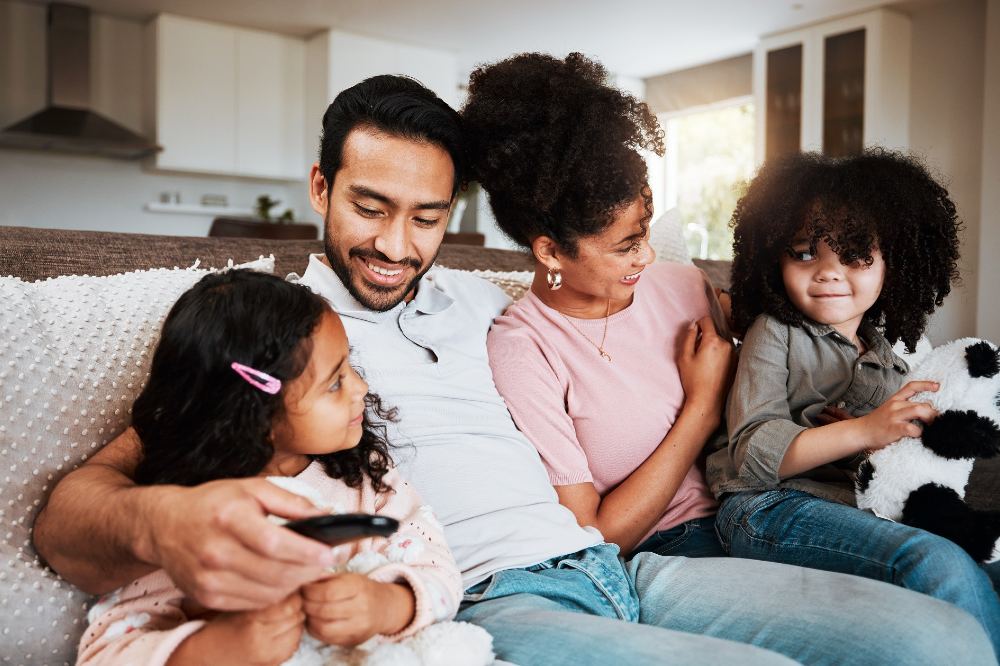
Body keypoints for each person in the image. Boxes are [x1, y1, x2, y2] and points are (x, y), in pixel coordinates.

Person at [33, 73, 996, 665]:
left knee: (939, 636)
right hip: (499, 594)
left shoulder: (482, 306)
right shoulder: (275, 326)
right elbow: (81, 504)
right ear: (320, 188)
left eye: (426, 216)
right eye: (369, 206)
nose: (394, 245)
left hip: (623, 568)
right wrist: (166, 519)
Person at [74, 269, 461, 665]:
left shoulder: (367, 477)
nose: (360, 388)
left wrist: (387, 604)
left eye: (350, 367)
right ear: (253, 415)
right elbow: (108, 649)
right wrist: (223, 646)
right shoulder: (193, 519)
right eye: (334, 383)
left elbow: (439, 570)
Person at [705, 149, 1000, 654]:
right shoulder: (776, 331)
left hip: (856, 505)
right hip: (766, 507)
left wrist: (875, 442)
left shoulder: (889, 359)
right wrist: (862, 431)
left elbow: (891, 461)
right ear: (772, 257)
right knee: (936, 563)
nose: (828, 273)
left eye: (855, 256)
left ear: (893, 263)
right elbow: (751, 455)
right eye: (804, 253)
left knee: (981, 560)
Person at [470, 51, 733, 560]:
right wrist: (702, 408)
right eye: (625, 246)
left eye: (645, 234)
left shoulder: (687, 287)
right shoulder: (524, 350)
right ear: (550, 250)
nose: (648, 256)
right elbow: (594, 533)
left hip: (766, 508)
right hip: (668, 552)